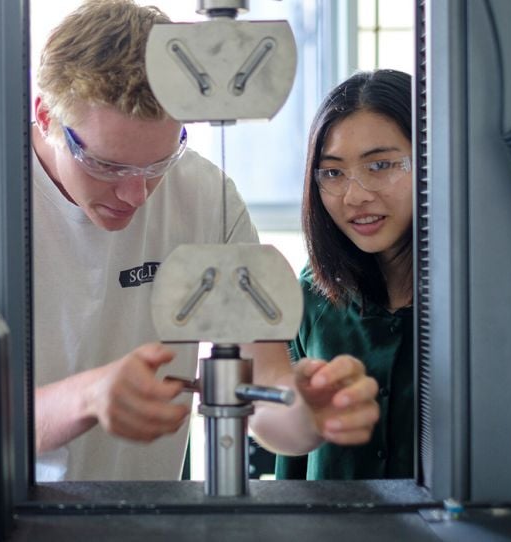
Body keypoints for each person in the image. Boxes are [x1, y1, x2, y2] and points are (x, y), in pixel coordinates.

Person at [32, 0, 380, 482]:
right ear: (46, 117)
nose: (136, 194)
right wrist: (85, 398)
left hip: (150, 517)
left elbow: (263, 388)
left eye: (158, 164)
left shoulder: (206, 196)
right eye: (108, 167)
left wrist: (307, 413)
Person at [250, 69, 414, 480]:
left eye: (380, 165)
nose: (355, 196)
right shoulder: (310, 296)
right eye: (333, 173)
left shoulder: (489, 295)